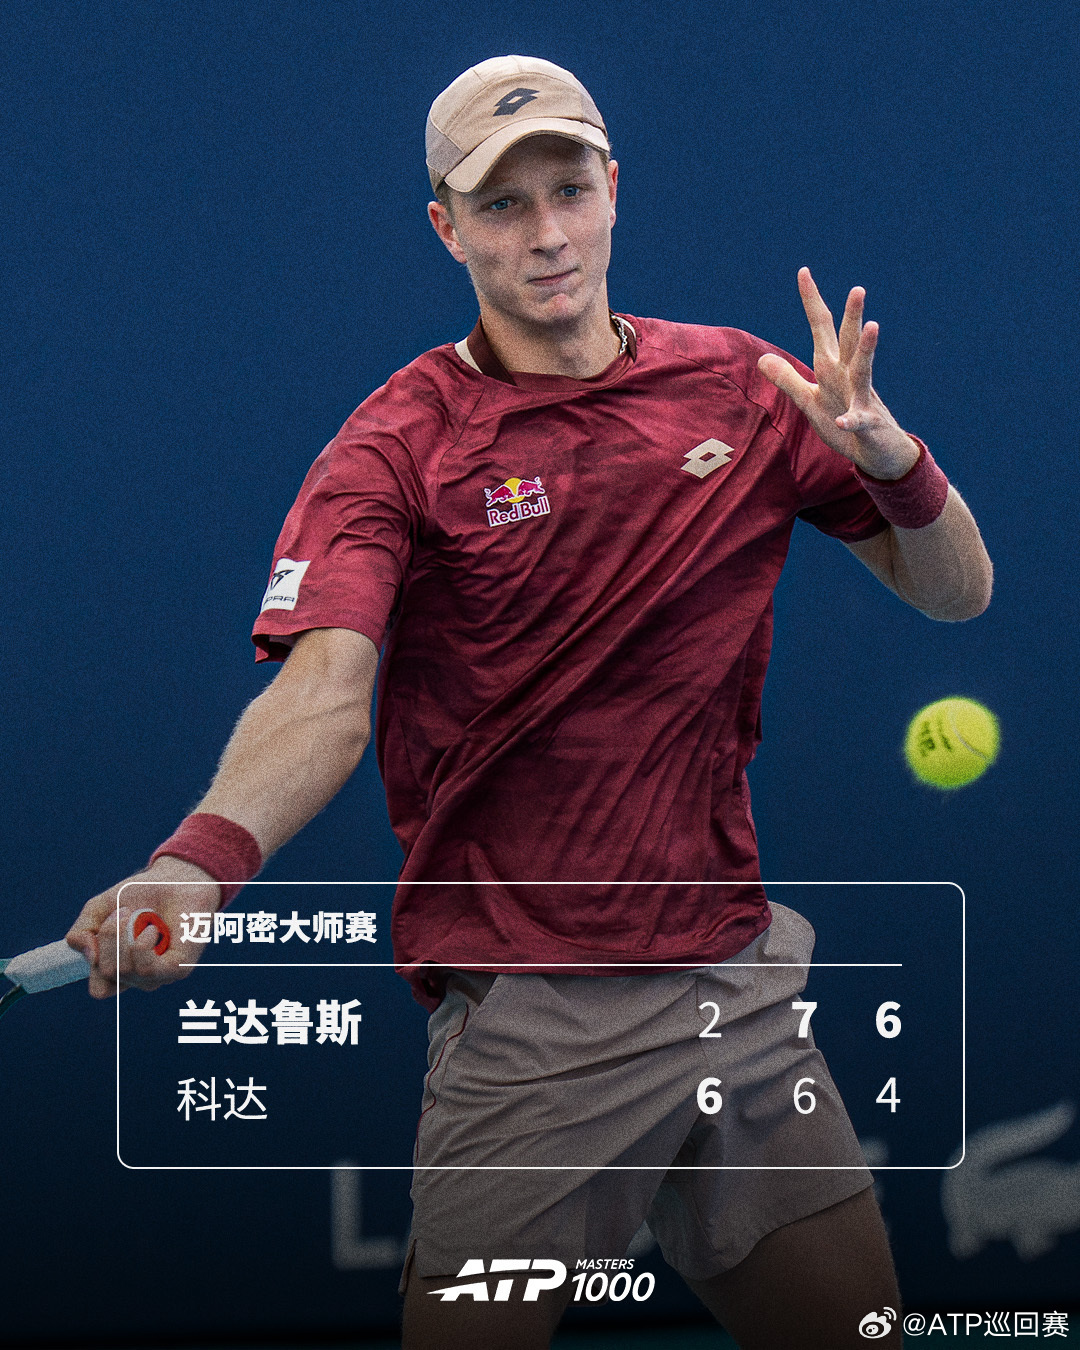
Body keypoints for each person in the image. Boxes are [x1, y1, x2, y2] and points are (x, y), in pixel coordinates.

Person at [67, 55, 992, 1350]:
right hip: (531, 1019)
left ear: (614, 190)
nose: (547, 234)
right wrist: (197, 861)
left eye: (569, 190)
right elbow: (323, 695)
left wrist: (894, 461)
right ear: (447, 229)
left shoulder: (749, 389)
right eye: (502, 205)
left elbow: (956, 592)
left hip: (732, 983)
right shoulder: (397, 447)